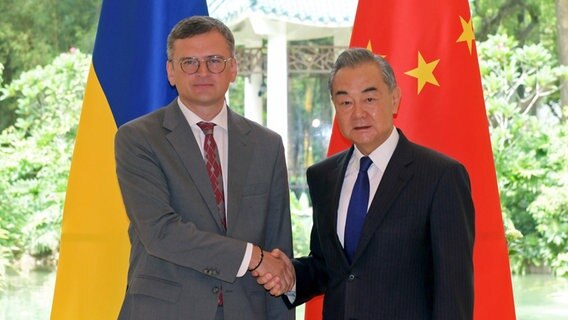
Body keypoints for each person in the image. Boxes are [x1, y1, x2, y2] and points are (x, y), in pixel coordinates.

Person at [257, 48, 475, 319]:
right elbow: (330, 267)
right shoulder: (323, 176)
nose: (358, 113)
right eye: (346, 102)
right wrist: (289, 276)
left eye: (369, 98)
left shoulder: (440, 176)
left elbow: (453, 293)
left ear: (394, 100)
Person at [114, 16, 295, 320]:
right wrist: (252, 256)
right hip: (164, 311)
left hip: (247, 310)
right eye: (189, 63)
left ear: (233, 68)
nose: (202, 72)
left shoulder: (267, 145)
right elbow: (160, 232)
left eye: (214, 60)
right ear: (171, 71)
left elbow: (278, 251)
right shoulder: (138, 139)